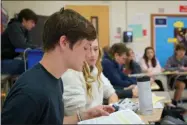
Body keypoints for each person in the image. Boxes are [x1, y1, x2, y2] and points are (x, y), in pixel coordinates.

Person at [1, 8, 114, 125]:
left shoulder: (56, 79)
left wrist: (85, 115)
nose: (89, 55)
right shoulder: (30, 93)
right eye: (85, 48)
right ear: (64, 42)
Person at [62, 39, 118, 116]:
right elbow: (76, 115)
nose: (93, 54)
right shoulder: (71, 73)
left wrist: (112, 109)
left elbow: (111, 93)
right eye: (86, 49)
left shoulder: (95, 69)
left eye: (95, 49)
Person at [1, 9, 38, 75]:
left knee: (33, 65)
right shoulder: (14, 27)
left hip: (9, 59)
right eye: (32, 22)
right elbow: (22, 45)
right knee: (32, 66)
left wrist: (35, 47)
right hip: (3, 61)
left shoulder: (25, 31)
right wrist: (38, 48)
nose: (34, 25)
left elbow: (29, 45)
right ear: (24, 20)